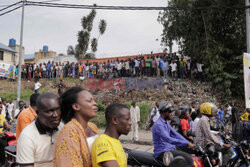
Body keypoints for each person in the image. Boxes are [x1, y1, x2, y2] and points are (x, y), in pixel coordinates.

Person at [54, 86, 99, 167]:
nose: (95, 103)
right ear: (76, 106)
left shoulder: (93, 127)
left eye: (94, 100)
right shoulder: (69, 132)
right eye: (89, 101)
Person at [16, 92, 63, 167]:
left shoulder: (63, 128)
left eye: (58, 109)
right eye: (49, 111)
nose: (55, 115)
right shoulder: (27, 136)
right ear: (38, 113)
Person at [152, 101, 195, 167]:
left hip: (170, 149)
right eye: (170, 112)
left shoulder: (166, 123)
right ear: (164, 112)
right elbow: (168, 139)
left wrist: (187, 142)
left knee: (189, 155)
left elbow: (175, 134)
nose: (172, 114)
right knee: (188, 159)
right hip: (162, 152)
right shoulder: (159, 125)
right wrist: (187, 143)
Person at [0, 101, 11, 166]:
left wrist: (7, 125)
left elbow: (4, 121)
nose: (0, 108)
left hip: (2, 135)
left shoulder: (1, 115)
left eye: (1, 107)